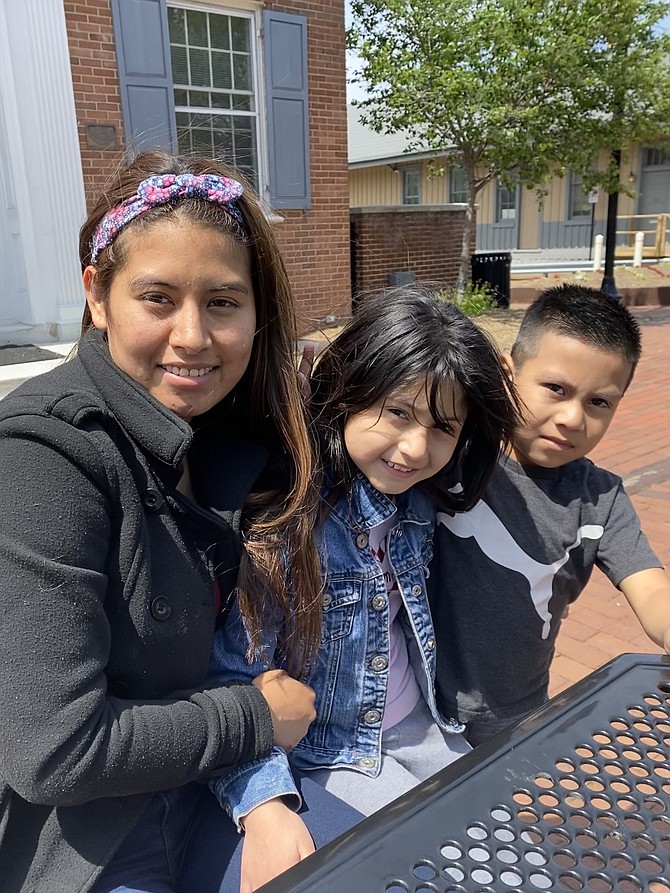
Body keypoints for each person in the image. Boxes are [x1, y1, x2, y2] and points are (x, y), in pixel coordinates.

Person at [0, 150, 361, 893]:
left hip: (217, 787)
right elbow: (55, 749)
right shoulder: (44, 454)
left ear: (258, 312)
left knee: (385, 865)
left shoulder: (235, 433)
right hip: (94, 832)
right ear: (98, 296)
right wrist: (252, 717)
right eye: (158, 297)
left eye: (223, 302)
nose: (193, 336)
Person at [209, 288, 520, 892]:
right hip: (334, 751)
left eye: (442, 427)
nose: (414, 447)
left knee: (520, 867)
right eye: (398, 412)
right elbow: (230, 678)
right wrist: (263, 802)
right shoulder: (287, 521)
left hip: (426, 730)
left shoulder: (416, 503)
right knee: (440, 876)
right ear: (349, 392)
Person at [428, 284, 670, 748]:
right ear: (507, 373)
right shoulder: (449, 453)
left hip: (517, 718)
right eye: (555, 389)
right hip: (413, 707)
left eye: (599, 402)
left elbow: (650, 584)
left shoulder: (601, 498)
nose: (573, 418)